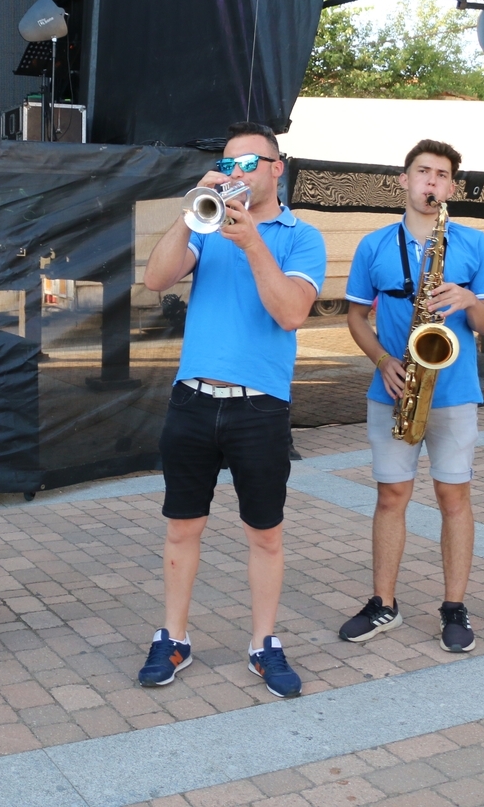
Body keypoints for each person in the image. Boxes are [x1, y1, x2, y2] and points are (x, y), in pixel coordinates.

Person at [138, 121, 326, 698]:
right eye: (229, 164)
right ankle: (173, 637)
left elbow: (291, 312)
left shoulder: (302, 237)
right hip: (193, 400)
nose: (237, 173)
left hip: (260, 408)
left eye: (249, 163)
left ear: (277, 169)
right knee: (182, 527)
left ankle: (264, 643)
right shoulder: (208, 224)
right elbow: (155, 278)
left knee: (265, 534)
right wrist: (191, 211)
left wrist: (252, 243)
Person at [337, 139, 484, 654]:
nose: (432, 181)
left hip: (455, 392)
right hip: (394, 387)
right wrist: (382, 360)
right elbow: (355, 316)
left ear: (452, 187)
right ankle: (383, 602)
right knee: (391, 497)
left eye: (442, 175)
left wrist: (469, 299)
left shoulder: (473, 243)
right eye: (423, 171)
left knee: (454, 498)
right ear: (404, 180)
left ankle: (454, 607)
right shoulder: (374, 245)